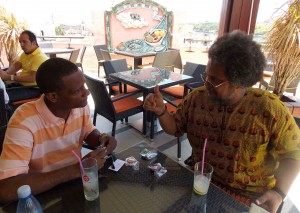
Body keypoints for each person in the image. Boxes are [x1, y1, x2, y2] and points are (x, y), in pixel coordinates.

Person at [144, 30, 300, 213]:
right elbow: (175, 128)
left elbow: (293, 155)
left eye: (215, 80)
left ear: (240, 82)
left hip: (249, 198)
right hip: (199, 183)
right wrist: (161, 111)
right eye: (207, 75)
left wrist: (279, 193)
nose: (206, 83)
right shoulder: (196, 99)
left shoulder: (270, 110)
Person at [0, 58, 117, 202]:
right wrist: (76, 170)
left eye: (84, 86)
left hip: (75, 185)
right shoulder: (23, 121)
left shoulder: (79, 107)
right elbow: (7, 188)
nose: (86, 93)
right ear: (53, 96)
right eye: (77, 90)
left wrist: (101, 139)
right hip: (42, 194)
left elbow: (88, 132)